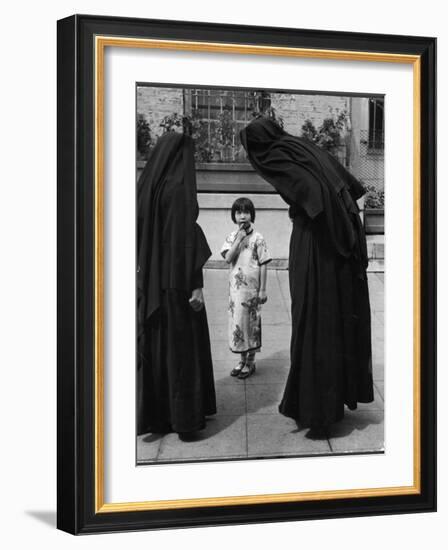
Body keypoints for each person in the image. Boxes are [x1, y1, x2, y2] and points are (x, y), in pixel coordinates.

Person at [240, 117, 374, 430]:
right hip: (335, 241)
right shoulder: (301, 147)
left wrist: (307, 215)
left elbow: (313, 195)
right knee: (328, 317)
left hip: (316, 243)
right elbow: (343, 189)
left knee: (313, 318)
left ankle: (317, 408)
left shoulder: (279, 155)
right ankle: (324, 401)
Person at [137, 131, 216, 436]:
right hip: (178, 284)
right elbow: (185, 239)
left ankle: (159, 417)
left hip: (155, 283)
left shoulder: (149, 187)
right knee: (182, 352)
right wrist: (196, 284)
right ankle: (184, 418)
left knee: (159, 350)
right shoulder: (180, 188)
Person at [220, 197, 272, 379]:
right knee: (238, 323)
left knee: (251, 324)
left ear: (252, 215)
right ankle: (242, 359)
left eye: (246, 212)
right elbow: (228, 258)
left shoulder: (258, 238)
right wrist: (238, 240)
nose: (243, 216)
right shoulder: (231, 237)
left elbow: (264, 263)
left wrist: (263, 289)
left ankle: (251, 360)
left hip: (252, 290)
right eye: (239, 212)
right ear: (234, 215)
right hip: (236, 292)